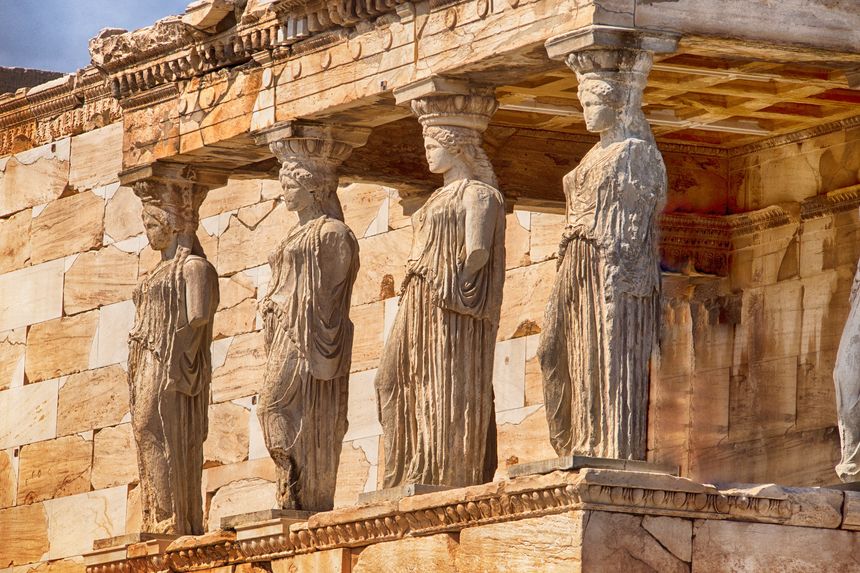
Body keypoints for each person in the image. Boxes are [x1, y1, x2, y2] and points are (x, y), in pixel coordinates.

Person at [538, 50, 667, 460]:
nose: (587, 113)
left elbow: (646, 210)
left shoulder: (635, 153)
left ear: (615, 105)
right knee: (551, 347)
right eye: (584, 105)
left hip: (609, 266)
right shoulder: (593, 155)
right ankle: (576, 438)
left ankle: (609, 445)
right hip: (575, 262)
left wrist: (619, 267)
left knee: (609, 350)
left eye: (593, 104)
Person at [375, 94, 505, 488]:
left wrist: (453, 284)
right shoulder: (436, 197)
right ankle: (408, 465)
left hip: (447, 299)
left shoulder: (478, 194)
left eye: (433, 146)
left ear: (456, 147)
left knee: (440, 378)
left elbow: (478, 250)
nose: (428, 155)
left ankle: (442, 468)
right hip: (417, 294)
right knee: (390, 378)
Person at [128, 173, 218, 534]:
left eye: (152, 223)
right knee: (144, 427)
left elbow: (197, 317)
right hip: (145, 355)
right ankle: (158, 513)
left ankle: (172, 517)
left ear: (172, 224)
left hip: (171, 361)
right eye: (146, 223)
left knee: (153, 424)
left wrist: (175, 363)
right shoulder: (156, 272)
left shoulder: (194, 268)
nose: (148, 231)